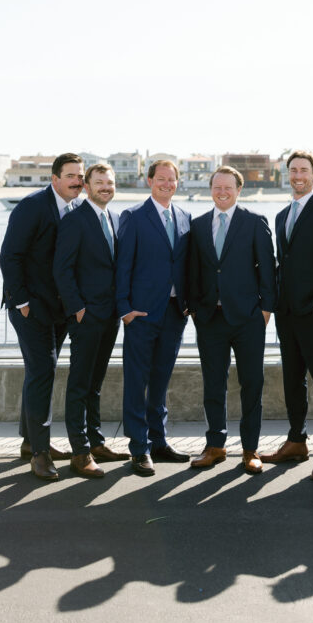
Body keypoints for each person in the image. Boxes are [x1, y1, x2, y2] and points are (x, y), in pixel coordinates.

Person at [0, 152, 84, 481]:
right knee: (43, 371)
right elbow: (10, 255)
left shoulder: (77, 209)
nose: (77, 181)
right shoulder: (32, 206)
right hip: (30, 307)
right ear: (55, 179)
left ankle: (29, 441)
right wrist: (21, 301)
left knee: (39, 372)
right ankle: (40, 453)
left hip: (59, 308)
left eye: (80, 176)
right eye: (70, 176)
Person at [260, 150, 313, 481]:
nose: (297, 175)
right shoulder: (282, 215)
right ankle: (297, 440)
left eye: (303, 170)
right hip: (287, 313)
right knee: (292, 380)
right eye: (293, 170)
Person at [187, 166, 276, 473]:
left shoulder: (254, 222)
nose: (222, 192)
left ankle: (250, 449)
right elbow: (193, 270)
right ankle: (215, 446)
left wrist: (266, 311)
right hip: (210, 318)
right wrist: (194, 310)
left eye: (228, 187)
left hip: (248, 318)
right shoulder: (198, 225)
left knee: (252, 383)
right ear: (211, 189)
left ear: (239, 190)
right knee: (213, 384)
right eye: (217, 187)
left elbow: (268, 268)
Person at [116, 159, 191, 477]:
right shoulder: (133, 216)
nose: (166, 184)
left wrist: (189, 304)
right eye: (161, 179)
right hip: (141, 314)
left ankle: (158, 441)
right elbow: (123, 265)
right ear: (149, 181)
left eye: (171, 179)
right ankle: (139, 448)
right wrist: (124, 309)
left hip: (175, 313)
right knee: (137, 382)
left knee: (160, 381)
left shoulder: (185, 216)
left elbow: (186, 264)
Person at [53, 163, 127, 478]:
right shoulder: (75, 220)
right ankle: (80, 452)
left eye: (109, 183)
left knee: (95, 383)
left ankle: (96, 442)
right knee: (80, 383)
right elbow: (62, 269)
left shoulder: (115, 218)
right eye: (99, 183)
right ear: (87, 186)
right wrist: (78, 308)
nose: (105, 187)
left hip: (111, 315)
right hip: (87, 315)